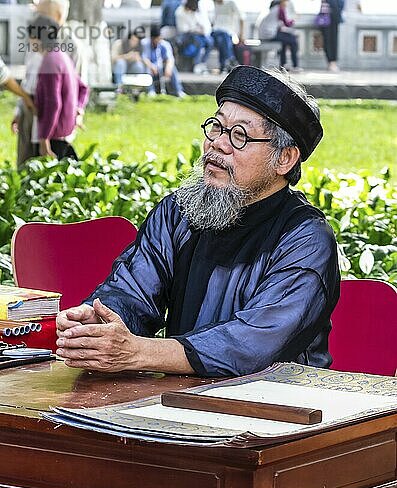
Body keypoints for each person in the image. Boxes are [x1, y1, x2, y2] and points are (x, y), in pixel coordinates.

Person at [56, 66, 340, 378]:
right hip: (180, 402)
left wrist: (138, 352)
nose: (218, 144)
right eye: (217, 127)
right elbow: (131, 292)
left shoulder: (306, 239)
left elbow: (249, 344)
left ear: (284, 159)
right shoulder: (179, 212)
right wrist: (96, 324)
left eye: (240, 135)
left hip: (284, 413)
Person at [11, 0, 86, 167]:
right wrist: (19, 109)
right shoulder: (36, 38)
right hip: (30, 107)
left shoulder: (69, 45)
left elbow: (76, 87)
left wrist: (77, 113)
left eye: (42, 14)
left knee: (45, 165)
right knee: (25, 163)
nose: (37, 18)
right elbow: (28, 77)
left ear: (58, 16)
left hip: (52, 120)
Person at [31, 16, 89, 159]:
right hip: (63, 133)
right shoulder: (61, 56)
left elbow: (53, 103)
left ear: (37, 38)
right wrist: (78, 110)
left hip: (53, 137)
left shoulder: (50, 62)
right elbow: (83, 88)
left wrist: (44, 138)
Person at [141, 24, 186, 97]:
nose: (158, 41)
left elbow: (170, 59)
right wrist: (151, 66)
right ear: (152, 38)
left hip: (161, 66)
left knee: (173, 69)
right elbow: (144, 57)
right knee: (147, 70)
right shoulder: (145, 43)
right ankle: (151, 91)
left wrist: (168, 68)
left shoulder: (164, 44)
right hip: (149, 67)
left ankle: (179, 91)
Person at [256, 0, 301, 72]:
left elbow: (278, 25)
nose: (286, 4)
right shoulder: (279, 9)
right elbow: (287, 23)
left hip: (264, 35)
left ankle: (283, 65)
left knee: (284, 41)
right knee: (293, 40)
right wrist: (294, 19)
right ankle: (295, 66)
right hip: (269, 35)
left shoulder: (271, 10)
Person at [175, 0, 213, 74]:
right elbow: (183, 29)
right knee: (198, 41)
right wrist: (195, 30)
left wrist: (201, 29)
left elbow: (200, 24)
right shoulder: (180, 12)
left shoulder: (195, 11)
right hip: (185, 36)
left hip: (197, 34)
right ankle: (196, 63)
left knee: (210, 41)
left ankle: (202, 63)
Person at [211, 0, 244, 73]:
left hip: (227, 33)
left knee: (222, 40)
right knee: (223, 38)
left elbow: (241, 18)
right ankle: (231, 59)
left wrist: (241, 34)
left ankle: (223, 65)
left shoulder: (231, 3)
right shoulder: (215, 4)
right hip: (216, 32)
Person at [319, 0, 344, 72]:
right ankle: (330, 62)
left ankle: (333, 62)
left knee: (333, 41)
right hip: (324, 19)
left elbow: (341, 4)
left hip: (334, 18)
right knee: (327, 41)